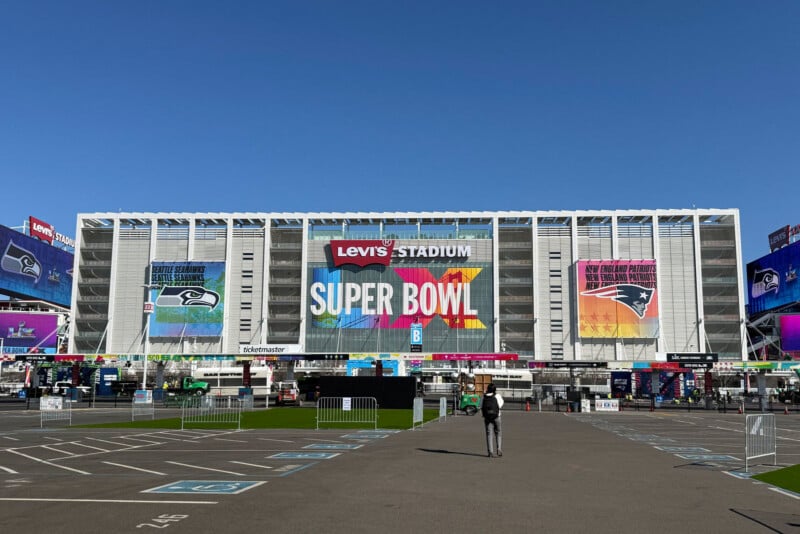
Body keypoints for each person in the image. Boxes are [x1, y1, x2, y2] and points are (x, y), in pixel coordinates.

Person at [481, 383, 504, 458]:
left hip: (487, 417)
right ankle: (499, 449)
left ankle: (490, 451)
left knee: (489, 434)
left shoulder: (484, 396)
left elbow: (480, 406)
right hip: (497, 416)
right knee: (498, 433)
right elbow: (500, 405)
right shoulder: (497, 396)